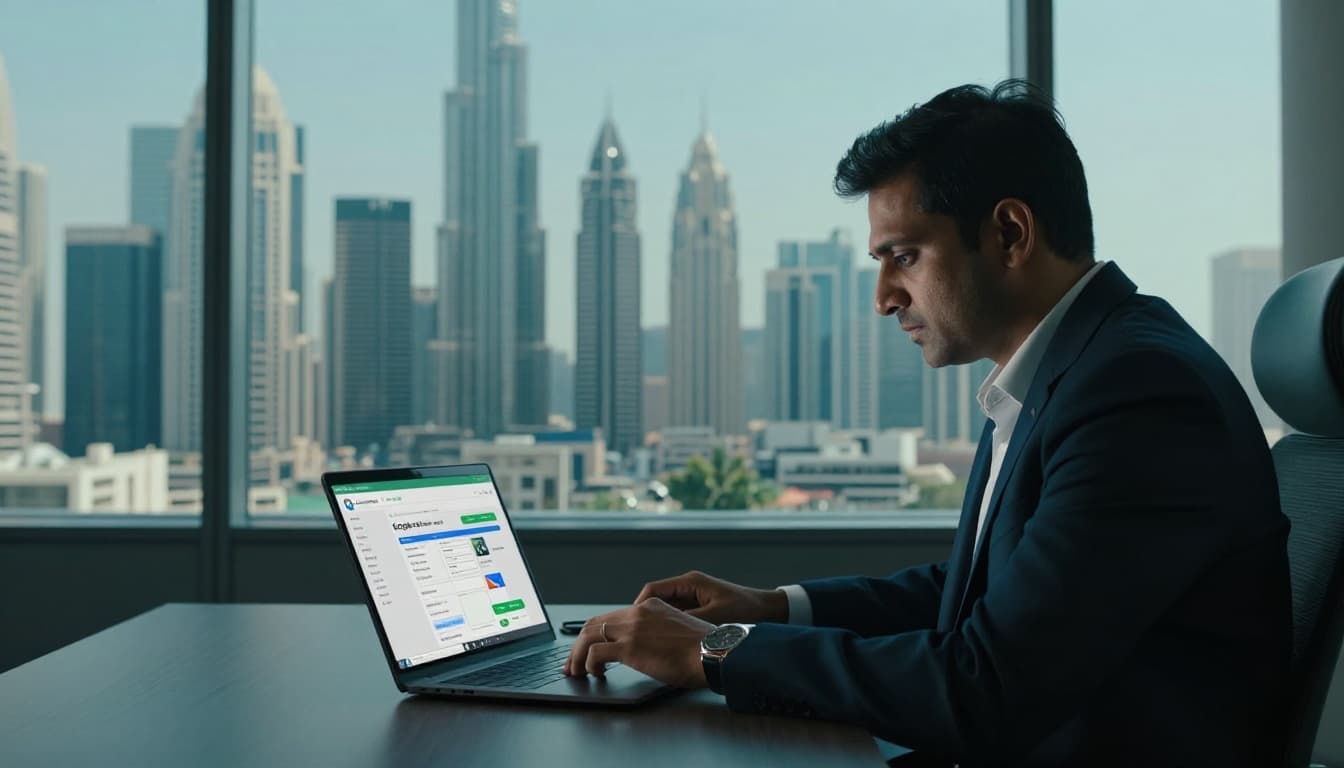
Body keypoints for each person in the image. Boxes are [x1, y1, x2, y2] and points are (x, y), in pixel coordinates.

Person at [563, 80, 1291, 767]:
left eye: (903, 257)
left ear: (1009, 233)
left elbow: (988, 684)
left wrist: (715, 649)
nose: (884, 297)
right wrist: (774, 608)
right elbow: (986, 593)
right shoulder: (1071, 371)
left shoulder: (1137, 394)